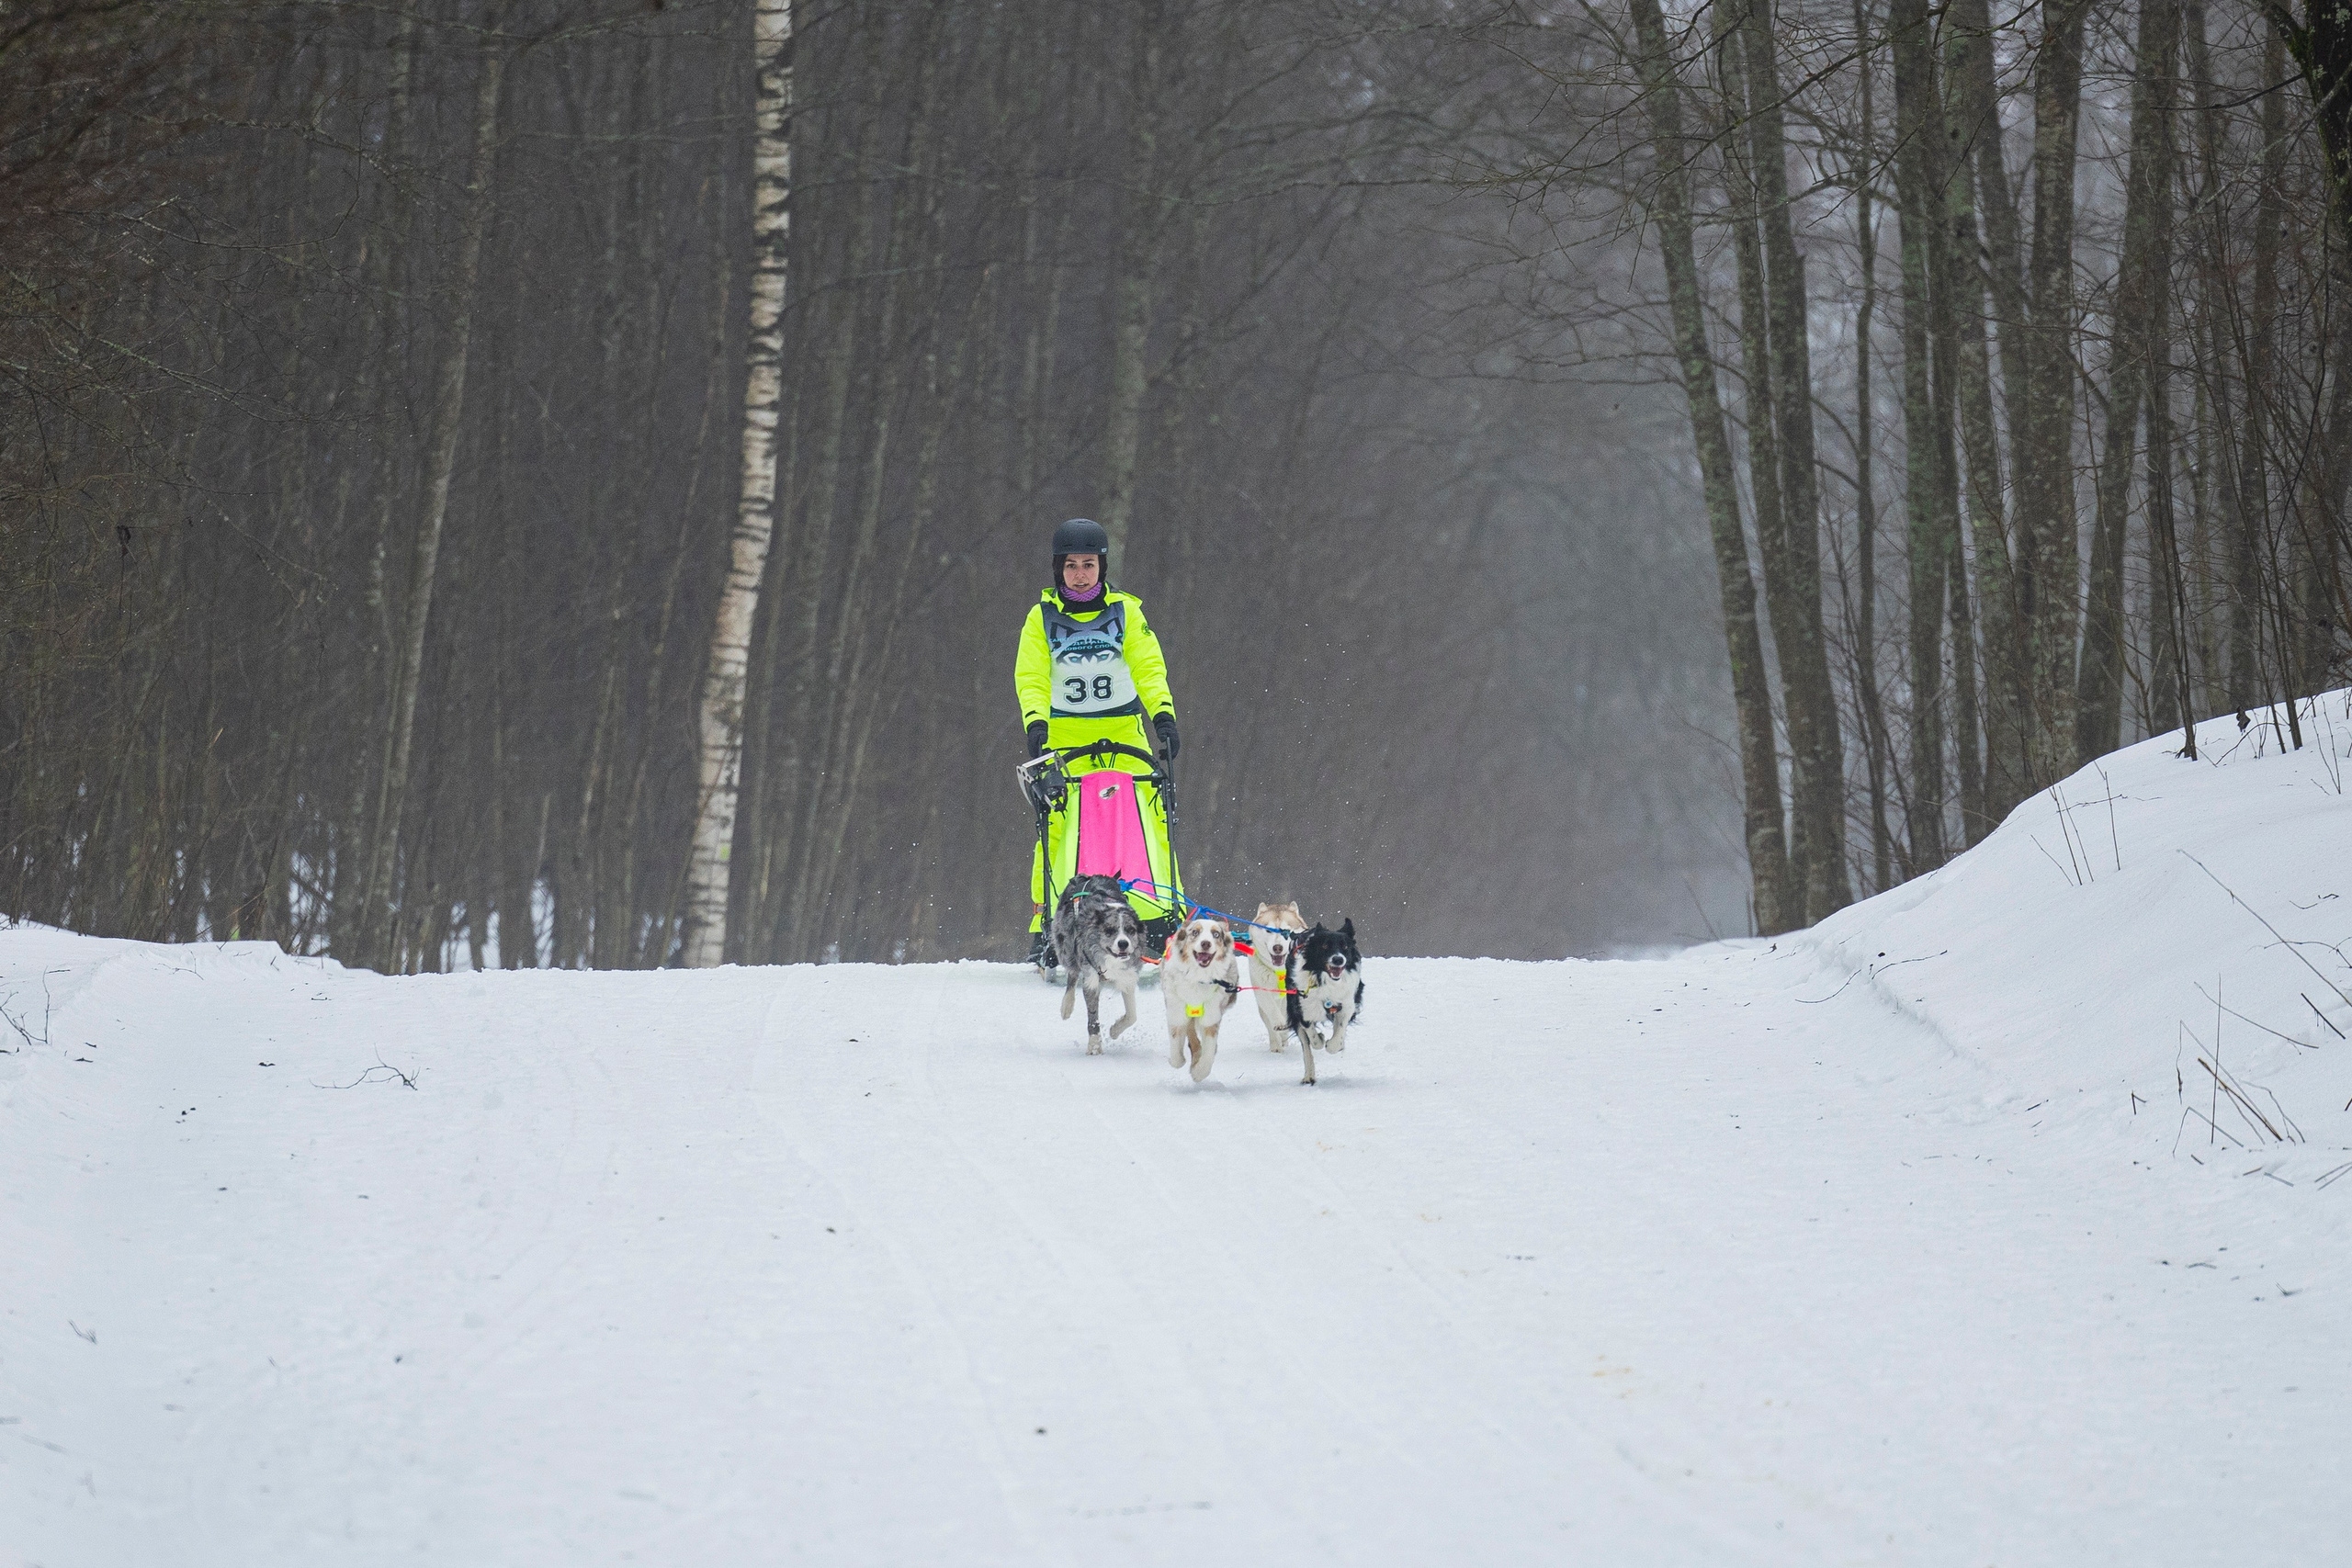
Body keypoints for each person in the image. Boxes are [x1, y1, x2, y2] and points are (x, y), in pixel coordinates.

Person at [1014, 518, 1182, 966]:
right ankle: (1044, 925)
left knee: (1151, 819)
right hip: (1066, 738)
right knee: (1054, 829)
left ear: (1102, 567)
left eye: (1089, 564)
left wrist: (1162, 714)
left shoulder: (1127, 611)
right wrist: (1036, 724)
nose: (1081, 574)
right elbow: (1031, 676)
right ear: (1058, 570)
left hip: (1124, 731)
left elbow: (1148, 666)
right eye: (1071, 566)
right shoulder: (1040, 618)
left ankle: (1164, 912)